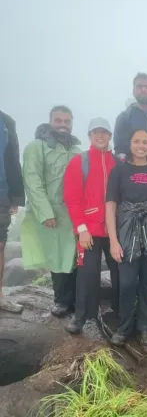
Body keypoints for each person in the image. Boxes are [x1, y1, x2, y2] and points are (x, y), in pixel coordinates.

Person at [105, 129, 147, 350]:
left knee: (146, 283)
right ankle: (124, 327)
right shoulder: (119, 171)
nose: (141, 145)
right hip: (126, 230)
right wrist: (114, 241)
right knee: (126, 283)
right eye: (136, 141)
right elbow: (111, 206)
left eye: (145, 142)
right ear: (130, 144)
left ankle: (145, 328)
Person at [21, 106, 81, 317]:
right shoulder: (36, 147)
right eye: (58, 120)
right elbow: (32, 180)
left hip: (74, 213)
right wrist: (45, 212)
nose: (63, 125)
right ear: (50, 121)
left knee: (74, 257)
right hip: (52, 212)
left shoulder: (76, 149)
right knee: (57, 257)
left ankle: (75, 300)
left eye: (67, 121)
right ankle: (61, 301)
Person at [63, 118, 118, 334]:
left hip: (114, 231)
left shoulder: (118, 163)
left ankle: (119, 311)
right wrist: (81, 229)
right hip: (90, 231)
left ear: (110, 136)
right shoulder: (79, 162)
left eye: (104, 132)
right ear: (89, 136)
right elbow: (72, 199)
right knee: (87, 274)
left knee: (120, 272)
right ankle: (81, 316)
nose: (101, 136)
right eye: (96, 132)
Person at [0, 110, 25, 313]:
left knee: (0, 244)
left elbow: (12, 159)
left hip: (2, 191)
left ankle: (0, 297)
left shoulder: (6, 121)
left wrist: (16, 195)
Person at [114, 73, 147, 160]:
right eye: (139, 86)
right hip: (132, 170)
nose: (143, 89)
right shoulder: (123, 118)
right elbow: (119, 150)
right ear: (133, 91)